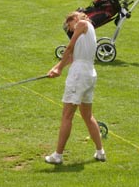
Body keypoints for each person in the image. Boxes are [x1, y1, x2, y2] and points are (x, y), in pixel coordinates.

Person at [44, 11, 106, 165]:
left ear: (75, 19)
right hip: (88, 74)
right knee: (87, 115)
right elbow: (72, 57)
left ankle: (57, 155)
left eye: (69, 25)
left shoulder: (83, 24)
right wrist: (56, 68)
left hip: (79, 75)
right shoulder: (87, 32)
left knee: (67, 116)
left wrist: (58, 69)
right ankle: (100, 152)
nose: (70, 30)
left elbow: (70, 47)